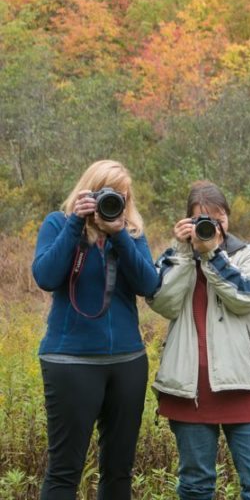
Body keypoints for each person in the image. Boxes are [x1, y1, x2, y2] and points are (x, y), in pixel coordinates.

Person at [31, 159, 159, 499]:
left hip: (127, 361)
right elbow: (45, 277)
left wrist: (119, 236)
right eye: (107, 194)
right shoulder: (58, 224)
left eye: (122, 196)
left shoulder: (130, 233)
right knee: (64, 471)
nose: (114, 202)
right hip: (70, 361)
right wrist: (76, 223)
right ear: (88, 190)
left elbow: (149, 283)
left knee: (119, 470)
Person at [148, 181, 250, 500]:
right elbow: (162, 302)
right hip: (189, 385)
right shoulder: (175, 257)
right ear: (187, 221)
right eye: (202, 219)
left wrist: (213, 256)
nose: (211, 226)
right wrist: (182, 252)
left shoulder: (248, 254)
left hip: (243, 383)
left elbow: (246, 297)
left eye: (218, 218)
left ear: (228, 218)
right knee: (195, 486)